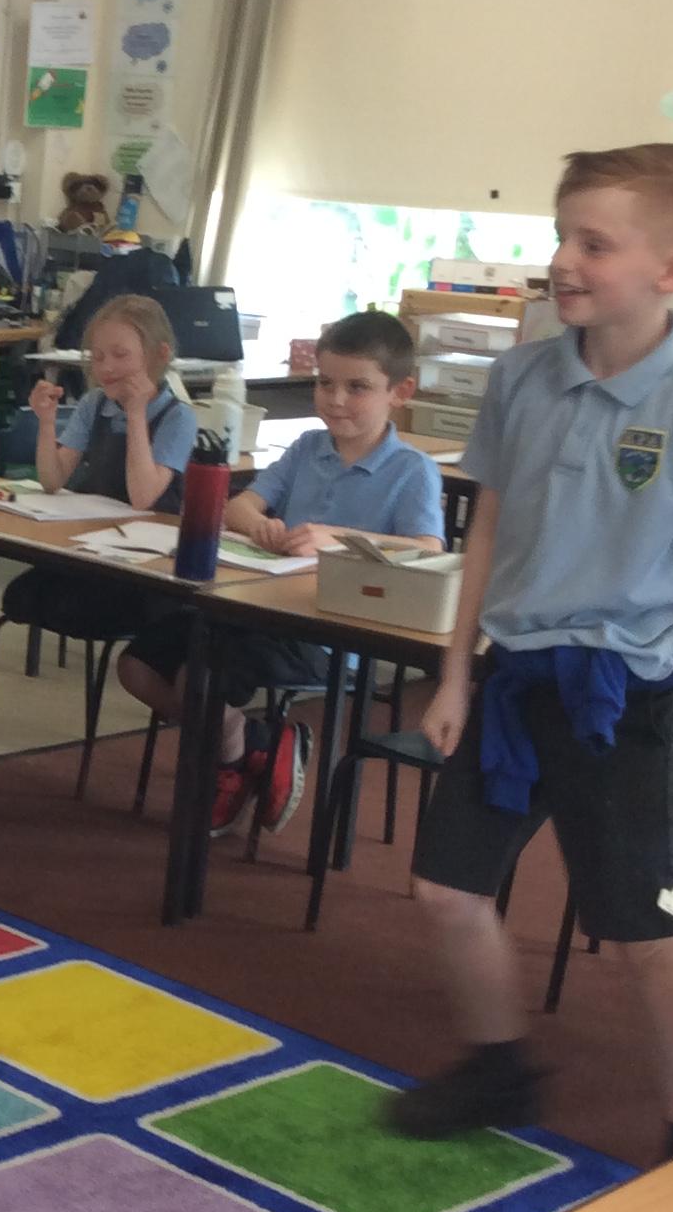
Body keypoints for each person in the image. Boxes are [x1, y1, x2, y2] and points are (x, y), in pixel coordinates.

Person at [387, 145, 673, 1153]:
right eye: (561, 235)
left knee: (641, 931)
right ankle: (500, 1071)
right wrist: (454, 673)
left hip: (625, 697)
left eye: (594, 244)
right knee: (447, 888)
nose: (564, 259)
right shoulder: (523, 375)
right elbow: (486, 527)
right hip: (512, 677)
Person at [118, 310, 444, 838]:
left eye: (357, 387)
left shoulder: (412, 470)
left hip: (335, 631)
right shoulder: (307, 448)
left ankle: (232, 759)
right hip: (263, 605)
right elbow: (239, 506)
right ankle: (253, 743)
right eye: (325, 383)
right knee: (138, 664)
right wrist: (261, 525)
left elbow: (429, 549)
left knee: (201, 673)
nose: (335, 399)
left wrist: (337, 538)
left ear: (400, 392)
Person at [0, 295, 198, 664]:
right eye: (98, 356)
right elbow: (53, 480)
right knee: (21, 596)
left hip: (144, 565)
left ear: (159, 355)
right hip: (93, 547)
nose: (106, 368)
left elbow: (143, 497)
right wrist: (46, 422)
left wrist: (136, 414)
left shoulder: (177, 417)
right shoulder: (94, 403)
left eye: (120, 355)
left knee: (70, 605)